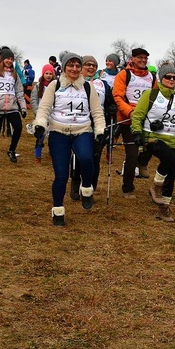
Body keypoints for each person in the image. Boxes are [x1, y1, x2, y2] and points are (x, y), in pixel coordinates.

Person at [32, 52, 106, 226]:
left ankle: (86, 188)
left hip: (82, 130)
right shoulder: (54, 85)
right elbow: (44, 108)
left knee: (88, 159)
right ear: (64, 67)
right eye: (70, 65)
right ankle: (58, 209)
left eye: (77, 66)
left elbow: (96, 111)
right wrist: (40, 124)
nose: (74, 69)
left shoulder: (88, 87)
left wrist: (100, 129)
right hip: (59, 132)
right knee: (61, 175)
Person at [130, 64, 175, 222]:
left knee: (171, 172)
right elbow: (137, 115)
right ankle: (157, 185)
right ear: (161, 78)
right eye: (168, 77)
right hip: (152, 138)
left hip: (172, 140)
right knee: (170, 160)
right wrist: (137, 132)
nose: (172, 80)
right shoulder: (150, 95)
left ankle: (164, 208)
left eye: (174, 77)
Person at [112, 47, 157, 198]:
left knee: (154, 145)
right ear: (132, 59)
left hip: (147, 118)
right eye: (140, 57)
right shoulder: (124, 74)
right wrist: (131, 113)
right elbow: (118, 96)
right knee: (131, 154)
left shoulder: (152, 76)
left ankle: (142, 162)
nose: (143, 60)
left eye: (145, 58)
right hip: (128, 119)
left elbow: (156, 97)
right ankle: (128, 187)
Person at [71, 55, 111, 196]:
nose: (91, 67)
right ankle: (75, 182)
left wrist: (111, 107)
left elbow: (110, 100)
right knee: (79, 156)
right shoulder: (74, 82)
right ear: (81, 67)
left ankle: (90, 188)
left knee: (94, 157)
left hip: (98, 125)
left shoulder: (102, 84)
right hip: (79, 123)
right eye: (88, 64)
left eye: (94, 65)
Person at [0, 47, 26, 165]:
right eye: (7, 58)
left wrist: (23, 108)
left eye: (11, 59)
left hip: (11, 108)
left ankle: (12, 150)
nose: (9, 61)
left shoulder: (15, 75)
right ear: (2, 59)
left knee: (18, 127)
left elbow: (19, 92)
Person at [30, 64, 56, 165]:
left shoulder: (56, 85)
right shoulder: (38, 86)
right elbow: (34, 100)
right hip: (41, 114)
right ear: (43, 74)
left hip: (53, 114)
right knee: (40, 137)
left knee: (53, 137)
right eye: (46, 73)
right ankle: (38, 156)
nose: (48, 75)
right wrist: (38, 113)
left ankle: (52, 154)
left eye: (50, 73)